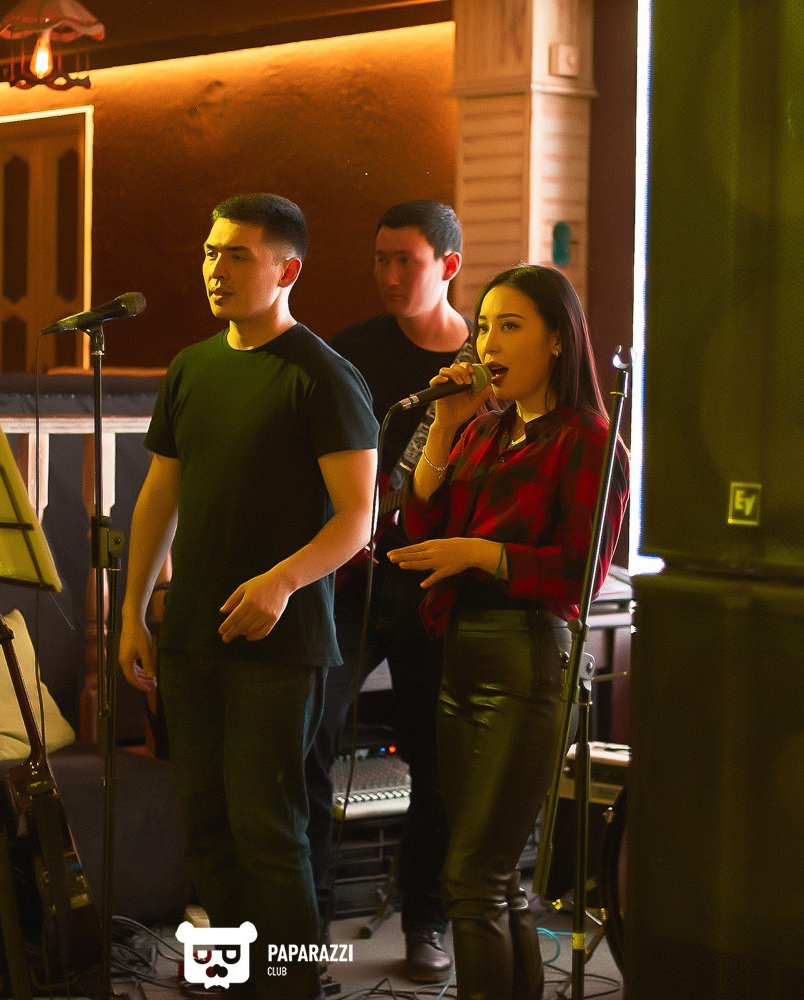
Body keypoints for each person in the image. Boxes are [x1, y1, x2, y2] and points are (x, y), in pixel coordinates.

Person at [118, 193, 378, 1000]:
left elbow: (359, 518)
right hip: (192, 636)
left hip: (280, 646)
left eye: (237, 254)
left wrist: (282, 580)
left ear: (286, 270)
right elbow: (160, 495)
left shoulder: (322, 375)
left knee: (269, 833)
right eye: (210, 251)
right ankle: (233, 984)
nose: (215, 268)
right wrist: (132, 610)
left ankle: (290, 989)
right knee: (205, 829)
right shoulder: (192, 367)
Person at [386, 264, 628, 1000]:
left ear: (557, 340)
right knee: (491, 877)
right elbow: (418, 521)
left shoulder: (589, 439)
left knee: (474, 877)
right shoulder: (483, 428)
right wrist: (444, 428)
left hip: (527, 660)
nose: (489, 344)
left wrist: (480, 554)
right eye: (484, 326)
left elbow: (579, 576)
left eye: (510, 327)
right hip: (461, 656)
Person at [303, 200, 472, 981]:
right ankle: (306, 924)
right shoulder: (352, 351)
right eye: (380, 259)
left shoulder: (483, 362)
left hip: (436, 581)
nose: (390, 275)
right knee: (309, 734)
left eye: (407, 260)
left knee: (435, 758)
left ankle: (425, 919)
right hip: (352, 579)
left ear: (448, 266)